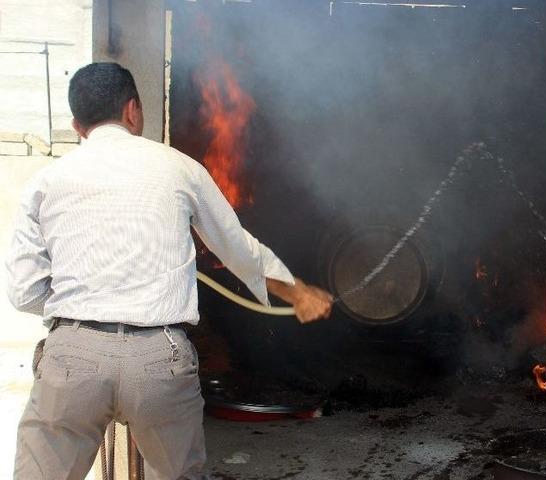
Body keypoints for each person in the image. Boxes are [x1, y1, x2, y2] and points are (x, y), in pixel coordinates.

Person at [5, 62, 334, 480]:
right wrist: (298, 293)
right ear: (133, 110)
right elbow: (237, 248)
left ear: (76, 124)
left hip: (74, 356)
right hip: (159, 359)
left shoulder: (46, 181)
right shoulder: (180, 167)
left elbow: (23, 291)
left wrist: (77, 319)